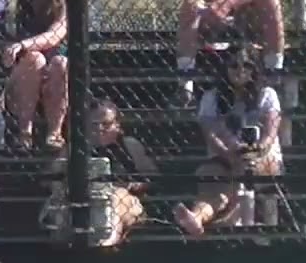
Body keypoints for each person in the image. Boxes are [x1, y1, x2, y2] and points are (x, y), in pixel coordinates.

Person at [172, 47, 282, 237]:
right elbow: (211, 135)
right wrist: (230, 154)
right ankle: (196, 217)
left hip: (263, 156)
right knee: (210, 177)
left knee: (244, 171)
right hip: (225, 155)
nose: (240, 70)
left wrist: (257, 149)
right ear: (224, 68)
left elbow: (270, 132)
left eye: (247, 65)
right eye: (234, 65)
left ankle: (229, 222)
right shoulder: (211, 97)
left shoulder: (266, 94)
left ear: (254, 69)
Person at [173, 0, 284, 106]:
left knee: (271, 2)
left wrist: (227, 4)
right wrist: (209, 9)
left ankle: (273, 76)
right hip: (211, 15)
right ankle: (185, 85)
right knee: (191, 4)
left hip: (246, 13)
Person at [87, 99, 158, 247]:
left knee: (116, 195)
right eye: (94, 125)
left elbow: (152, 176)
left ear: (117, 125)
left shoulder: (130, 145)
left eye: (106, 124)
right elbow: (49, 181)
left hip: (125, 202)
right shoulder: (75, 149)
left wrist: (134, 184)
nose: (100, 129)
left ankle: (110, 238)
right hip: (87, 199)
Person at [0, 0, 67, 150]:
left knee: (60, 62)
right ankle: (24, 133)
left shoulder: (65, 7)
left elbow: (53, 37)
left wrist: (22, 45)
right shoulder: (12, 8)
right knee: (35, 59)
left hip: (54, 86)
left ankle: (55, 133)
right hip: (20, 87)